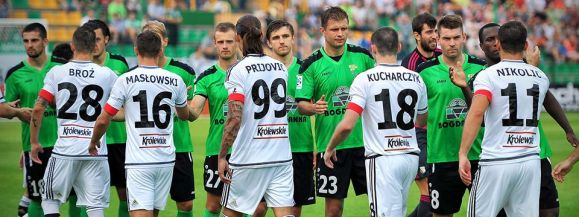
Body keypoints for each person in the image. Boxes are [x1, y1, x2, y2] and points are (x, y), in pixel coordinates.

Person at [450, 22, 579, 217]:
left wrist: (463, 154)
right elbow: (546, 100)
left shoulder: (487, 76)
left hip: (497, 161)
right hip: (529, 162)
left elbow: (477, 114)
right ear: (526, 46)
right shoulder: (540, 77)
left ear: (499, 44)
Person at [323, 26, 428, 217]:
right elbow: (422, 119)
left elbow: (347, 124)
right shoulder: (415, 78)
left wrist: (329, 148)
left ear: (373, 48)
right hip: (410, 157)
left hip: (383, 158)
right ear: (399, 46)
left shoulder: (364, 79)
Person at [88, 31, 192, 217]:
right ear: (160, 50)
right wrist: (178, 100)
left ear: (136, 50)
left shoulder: (125, 80)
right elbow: (184, 115)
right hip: (166, 160)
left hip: (140, 161)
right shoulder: (175, 80)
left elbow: (104, 118)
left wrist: (93, 141)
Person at [29, 25, 117, 217]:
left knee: (50, 199)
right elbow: (116, 109)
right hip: (95, 150)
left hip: (65, 149)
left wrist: (34, 142)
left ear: (72, 46)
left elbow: (38, 108)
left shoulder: (57, 73)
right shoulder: (107, 74)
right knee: (95, 206)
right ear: (94, 46)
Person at [295, 7, 375, 217]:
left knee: (379, 203)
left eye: (344, 28)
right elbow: (301, 104)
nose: (340, 33)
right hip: (331, 147)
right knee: (333, 210)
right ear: (322, 31)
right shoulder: (310, 65)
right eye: (334, 29)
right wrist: (312, 108)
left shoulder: (363, 57)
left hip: (366, 144)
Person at [217, 15, 295, 217]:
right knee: (285, 214)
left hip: (248, 158)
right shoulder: (280, 67)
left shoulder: (237, 70)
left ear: (237, 37)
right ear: (262, 35)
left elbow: (234, 117)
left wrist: (222, 155)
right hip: (281, 156)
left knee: (231, 213)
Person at [414, 15, 486, 217]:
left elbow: (486, 114)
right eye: (446, 38)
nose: (452, 43)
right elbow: (419, 118)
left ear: (464, 36)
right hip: (441, 157)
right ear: (437, 37)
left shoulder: (481, 69)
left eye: (456, 37)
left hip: (478, 156)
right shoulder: (424, 71)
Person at [4, 22, 71, 217]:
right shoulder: (15, 74)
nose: (29, 45)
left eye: (34, 40)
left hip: (65, 144)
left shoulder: (61, 68)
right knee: (38, 198)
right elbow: (5, 109)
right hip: (36, 147)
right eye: (26, 41)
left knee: (76, 196)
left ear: (45, 41)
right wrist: (17, 112)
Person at [142, 20, 197, 217]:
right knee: (151, 207)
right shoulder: (135, 75)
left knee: (186, 205)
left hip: (179, 146)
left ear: (165, 41)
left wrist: (179, 104)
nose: (153, 42)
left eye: (157, 38)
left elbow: (191, 113)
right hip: (148, 149)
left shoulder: (184, 72)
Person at [265, 19, 315, 217]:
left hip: (300, 147)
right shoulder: (263, 72)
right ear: (269, 42)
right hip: (268, 149)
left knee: (294, 210)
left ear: (293, 39)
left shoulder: (306, 69)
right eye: (276, 38)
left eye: (285, 36)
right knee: (258, 208)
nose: (281, 41)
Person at [189, 22, 239, 217]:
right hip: (216, 149)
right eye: (221, 42)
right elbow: (194, 112)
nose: (225, 46)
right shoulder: (207, 77)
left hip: (245, 150)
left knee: (245, 205)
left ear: (237, 42)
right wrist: (180, 105)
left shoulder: (249, 72)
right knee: (213, 205)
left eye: (229, 41)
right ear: (214, 44)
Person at [82, 19, 131, 217]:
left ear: (107, 40)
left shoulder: (119, 63)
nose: (94, 43)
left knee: (125, 193)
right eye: (90, 39)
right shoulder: (79, 65)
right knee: (84, 194)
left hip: (118, 139)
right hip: (87, 140)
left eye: (98, 39)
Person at [401, 13, 440, 217]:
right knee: (429, 196)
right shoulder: (410, 64)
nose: (434, 36)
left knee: (438, 198)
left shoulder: (444, 57)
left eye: (435, 31)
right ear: (417, 35)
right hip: (419, 136)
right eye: (429, 32)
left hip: (443, 134)